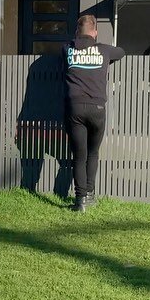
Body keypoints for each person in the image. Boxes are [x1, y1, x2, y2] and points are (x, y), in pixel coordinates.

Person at [63, 14, 124, 213]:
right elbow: (121, 52)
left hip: (76, 107)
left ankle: (80, 200)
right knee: (93, 153)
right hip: (97, 108)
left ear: (76, 31)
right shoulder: (104, 50)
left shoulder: (67, 49)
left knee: (79, 156)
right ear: (95, 32)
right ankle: (89, 194)